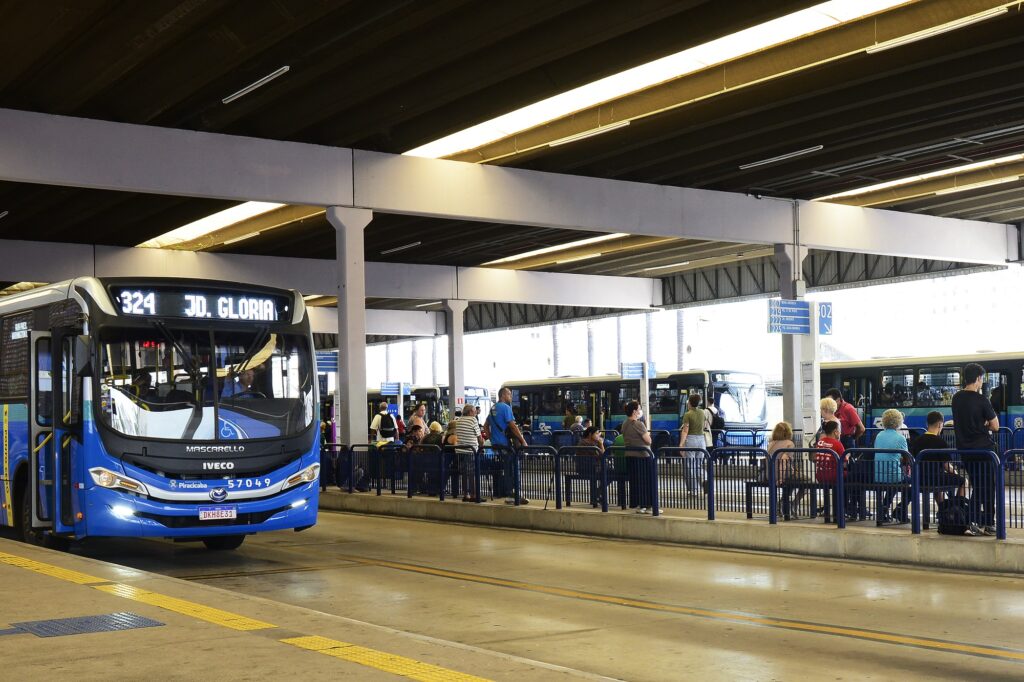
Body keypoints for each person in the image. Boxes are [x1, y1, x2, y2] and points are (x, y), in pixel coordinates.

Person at [951, 362, 998, 536]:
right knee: (987, 487)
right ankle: (986, 523)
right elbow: (996, 426)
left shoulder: (956, 398)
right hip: (984, 450)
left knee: (978, 485)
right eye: (981, 380)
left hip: (965, 451)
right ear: (978, 378)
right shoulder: (982, 399)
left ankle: (972, 521)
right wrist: (984, 422)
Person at [910, 410, 966, 503]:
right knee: (964, 482)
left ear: (927, 423)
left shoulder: (917, 440)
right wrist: (956, 473)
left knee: (938, 488)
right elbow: (946, 466)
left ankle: (943, 509)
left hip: (919, 478)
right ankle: (957, 507)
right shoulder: (940, 442)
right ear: (940, 424)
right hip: (936, 478)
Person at [486, 387, 529, 504]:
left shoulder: (493, 408)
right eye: (509, 394)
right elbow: (513, 426)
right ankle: (513, 494)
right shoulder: (506, 408)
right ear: (503, 395)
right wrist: (523, 440)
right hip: (505, 444)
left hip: (496, 444)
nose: (511, 397)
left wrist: (491, 438)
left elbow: (486, 426)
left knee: (507, 469)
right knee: (513, 468)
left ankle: (512, 493)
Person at [873, 409, 910, 524]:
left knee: (893, 482)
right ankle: (900, 510)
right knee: (913, 484)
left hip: (878, 475)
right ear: (899, 421)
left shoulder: (879, 435)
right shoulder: (900, 438)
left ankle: (884, 509)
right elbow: (907, 459)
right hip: (894, 476)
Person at [769, 421, 808, 520]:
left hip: (770, 474)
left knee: (791, 483)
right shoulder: (789, 443)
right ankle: (794, 503)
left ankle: (780, 503)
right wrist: (781, 478)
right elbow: (783, 461)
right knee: (808, 481)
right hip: (783, 474)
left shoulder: (771, 444)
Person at [621, 399, 653, 513]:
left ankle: (639, 505)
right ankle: (646, 505)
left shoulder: (624, 424)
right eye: (639, 409)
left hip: (630, 456)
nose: (640, 411)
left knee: (635, 481)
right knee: (646, 481)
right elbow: (648, 441)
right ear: (634, 411)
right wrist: (648, 434)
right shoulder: (639, 424)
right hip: (643, 456)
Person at [678, 394, 707, 495]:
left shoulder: (688, 414)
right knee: (698, 464)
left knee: (690, 465)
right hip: (701, 440)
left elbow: (685, 430)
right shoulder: (703, 412)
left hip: (691, 440)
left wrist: (681, 444)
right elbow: (705, 426)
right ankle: (704, 479)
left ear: (689, 402)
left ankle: (694, 489)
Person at [455, 405, 482, 502]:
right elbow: (479, 437)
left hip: (460, 451)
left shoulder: (458, 420)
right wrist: (481, 446)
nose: (476, 413)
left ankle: (466, 494)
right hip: (471, 451)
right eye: (475, 411)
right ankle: (474, 495)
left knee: (464, 473)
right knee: (472, 474)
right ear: (470, 412)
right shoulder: (473, 420)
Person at [578, 425, 607, 507]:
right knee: (611, 473)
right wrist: (601, 444)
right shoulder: (586, 443)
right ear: (590, 434)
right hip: (588, 469)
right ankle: (596, 494)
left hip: (591, 468)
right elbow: (602, 456)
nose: (599, 435)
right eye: (597, 433)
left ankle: (596, 494)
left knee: (610, 472)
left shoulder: (590, 442)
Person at [814, 420, 846, 486]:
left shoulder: (820, 442)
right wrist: (847, 456)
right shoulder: (837, 444)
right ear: (835, 432)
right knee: (856, 476)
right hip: (833, 476)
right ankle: (842, 496)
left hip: (819, 476)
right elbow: (844, 464)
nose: (840, 433)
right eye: (839, 431)